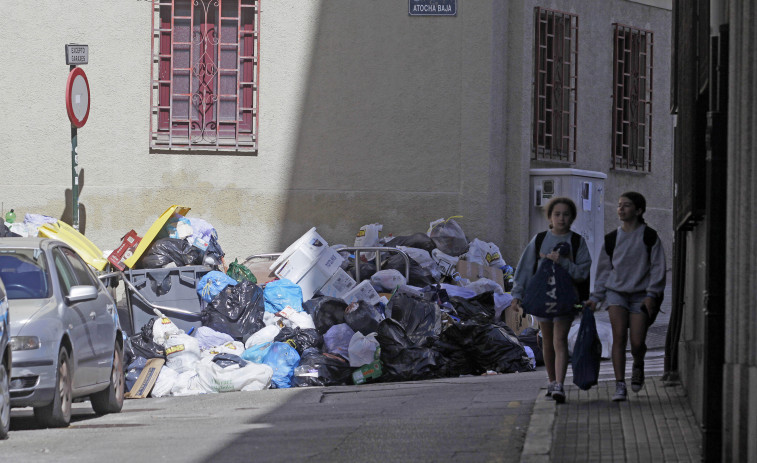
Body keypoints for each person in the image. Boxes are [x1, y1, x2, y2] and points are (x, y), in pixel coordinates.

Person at [587, 192, 666, 402]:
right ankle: (620, 384)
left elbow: (659, 268)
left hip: (641, 295)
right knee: (619, 335)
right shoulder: (612, 239)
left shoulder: (649, 237)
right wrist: (596, 297)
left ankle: (638, 363)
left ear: (639, 210)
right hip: (616, 294)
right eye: (619, 205)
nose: (621, 209)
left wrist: (652, 294)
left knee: (637, 342)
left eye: (627, 205)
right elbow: (604, 271)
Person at [511, 197, 591, 403]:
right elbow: (525, 269)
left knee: (559, 339)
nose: (561, 218)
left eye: (566, 214)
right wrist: (517, 295)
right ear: (549, 217)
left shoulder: (576, 242)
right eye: (557, 214)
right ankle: (551, 380)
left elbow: (583, 272)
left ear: (572, 217)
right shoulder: (539, 240)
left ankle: (560, 385)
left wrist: (563, 262)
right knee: (546, 340)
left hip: (566, 298)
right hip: (543, 297)